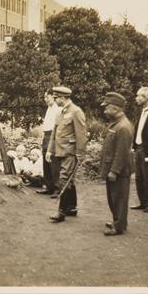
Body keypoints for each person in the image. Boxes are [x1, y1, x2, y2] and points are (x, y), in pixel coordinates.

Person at [46, 86, 87, 222]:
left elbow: (81, 135)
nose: (55, 99)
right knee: (69, 179)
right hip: (60, 151)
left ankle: (61, 212)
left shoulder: (76, 111)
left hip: (70, 152)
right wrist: (49, 150)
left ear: (63, 98)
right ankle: (72, 207)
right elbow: (54, 133)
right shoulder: (60, 112)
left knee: (64, 179)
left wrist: (80, 154)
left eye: (56, 97)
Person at [99, 92, 134, 236]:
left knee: (119, 198)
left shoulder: (123, 127)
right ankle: (117, 221)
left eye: (107, 108)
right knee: (114, 197)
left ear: (115, 109)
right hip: (113, 167)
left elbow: (122, 153)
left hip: (118, 170)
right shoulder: (117, 123)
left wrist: (114, 171)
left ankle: (119, 225)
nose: (105, 111)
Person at [37, 90, 61, 195]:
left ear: (53, 96)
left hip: (54, 136)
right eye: (45, 98)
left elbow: (57, 127)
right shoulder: (48, 109)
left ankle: (57, 188)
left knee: (54, 161)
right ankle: (48, 186)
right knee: (45, 161)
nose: (45, 99)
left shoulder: (58, 109)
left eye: (47, 97)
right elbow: (46, 125)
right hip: (46, 135)